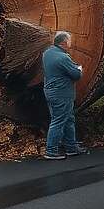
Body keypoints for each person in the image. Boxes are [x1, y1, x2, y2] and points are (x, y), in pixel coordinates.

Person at [41, 31, 88, 160]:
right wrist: (79, 68)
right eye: (69, 40)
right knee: (58, 121)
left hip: (51, 91)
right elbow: (76, 75)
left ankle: (71, 147)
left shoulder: (47, 53)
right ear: (64, 43)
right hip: (62, 93)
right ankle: (51, 151)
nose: (70, 43)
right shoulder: (63, 58)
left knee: (68, 119)